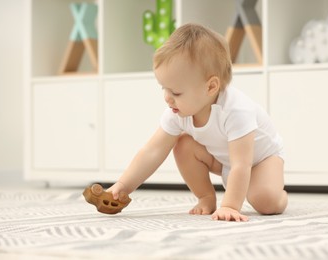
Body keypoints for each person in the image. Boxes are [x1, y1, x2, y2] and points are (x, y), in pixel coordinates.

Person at [107, 23, 288, 222]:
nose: (167, 98)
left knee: (265, 201)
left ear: (211, 87)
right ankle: (206, 197)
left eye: (176, 92)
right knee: (183, 145)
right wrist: (123, 185)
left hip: (260, 160)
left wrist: (229, 206)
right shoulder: (178, 112)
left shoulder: (236, 111)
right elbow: (152, 151)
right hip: (225, 159)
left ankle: (280, 195)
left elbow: (241, 164)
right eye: (163, 89)